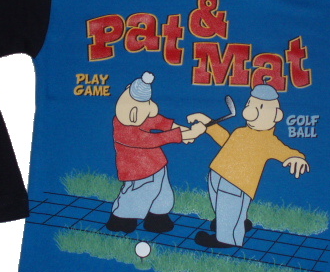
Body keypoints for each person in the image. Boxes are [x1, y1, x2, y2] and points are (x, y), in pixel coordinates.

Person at [188, 84, 309, 248]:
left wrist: (297, 158)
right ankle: (234, 222)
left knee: (230, 204)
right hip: (217, 173)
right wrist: (207, 122)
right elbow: (225, 140)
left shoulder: (268, 141)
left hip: (237, 183)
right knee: (221, 204)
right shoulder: (241, 131)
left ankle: (226, 239)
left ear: (277, 115)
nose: (250, 110)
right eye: (249, 104)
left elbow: (286, 152)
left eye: (260, 107)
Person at [106, 71, 205, 233]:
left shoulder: (139, 116)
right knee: (136, 195)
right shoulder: (123, 128)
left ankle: (157, 219)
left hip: (157, 165)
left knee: (163, 195)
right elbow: (154, 139)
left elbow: (161, 123)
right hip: (137, 172)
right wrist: (188, 134)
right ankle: (120, 220)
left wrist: (184, 131)